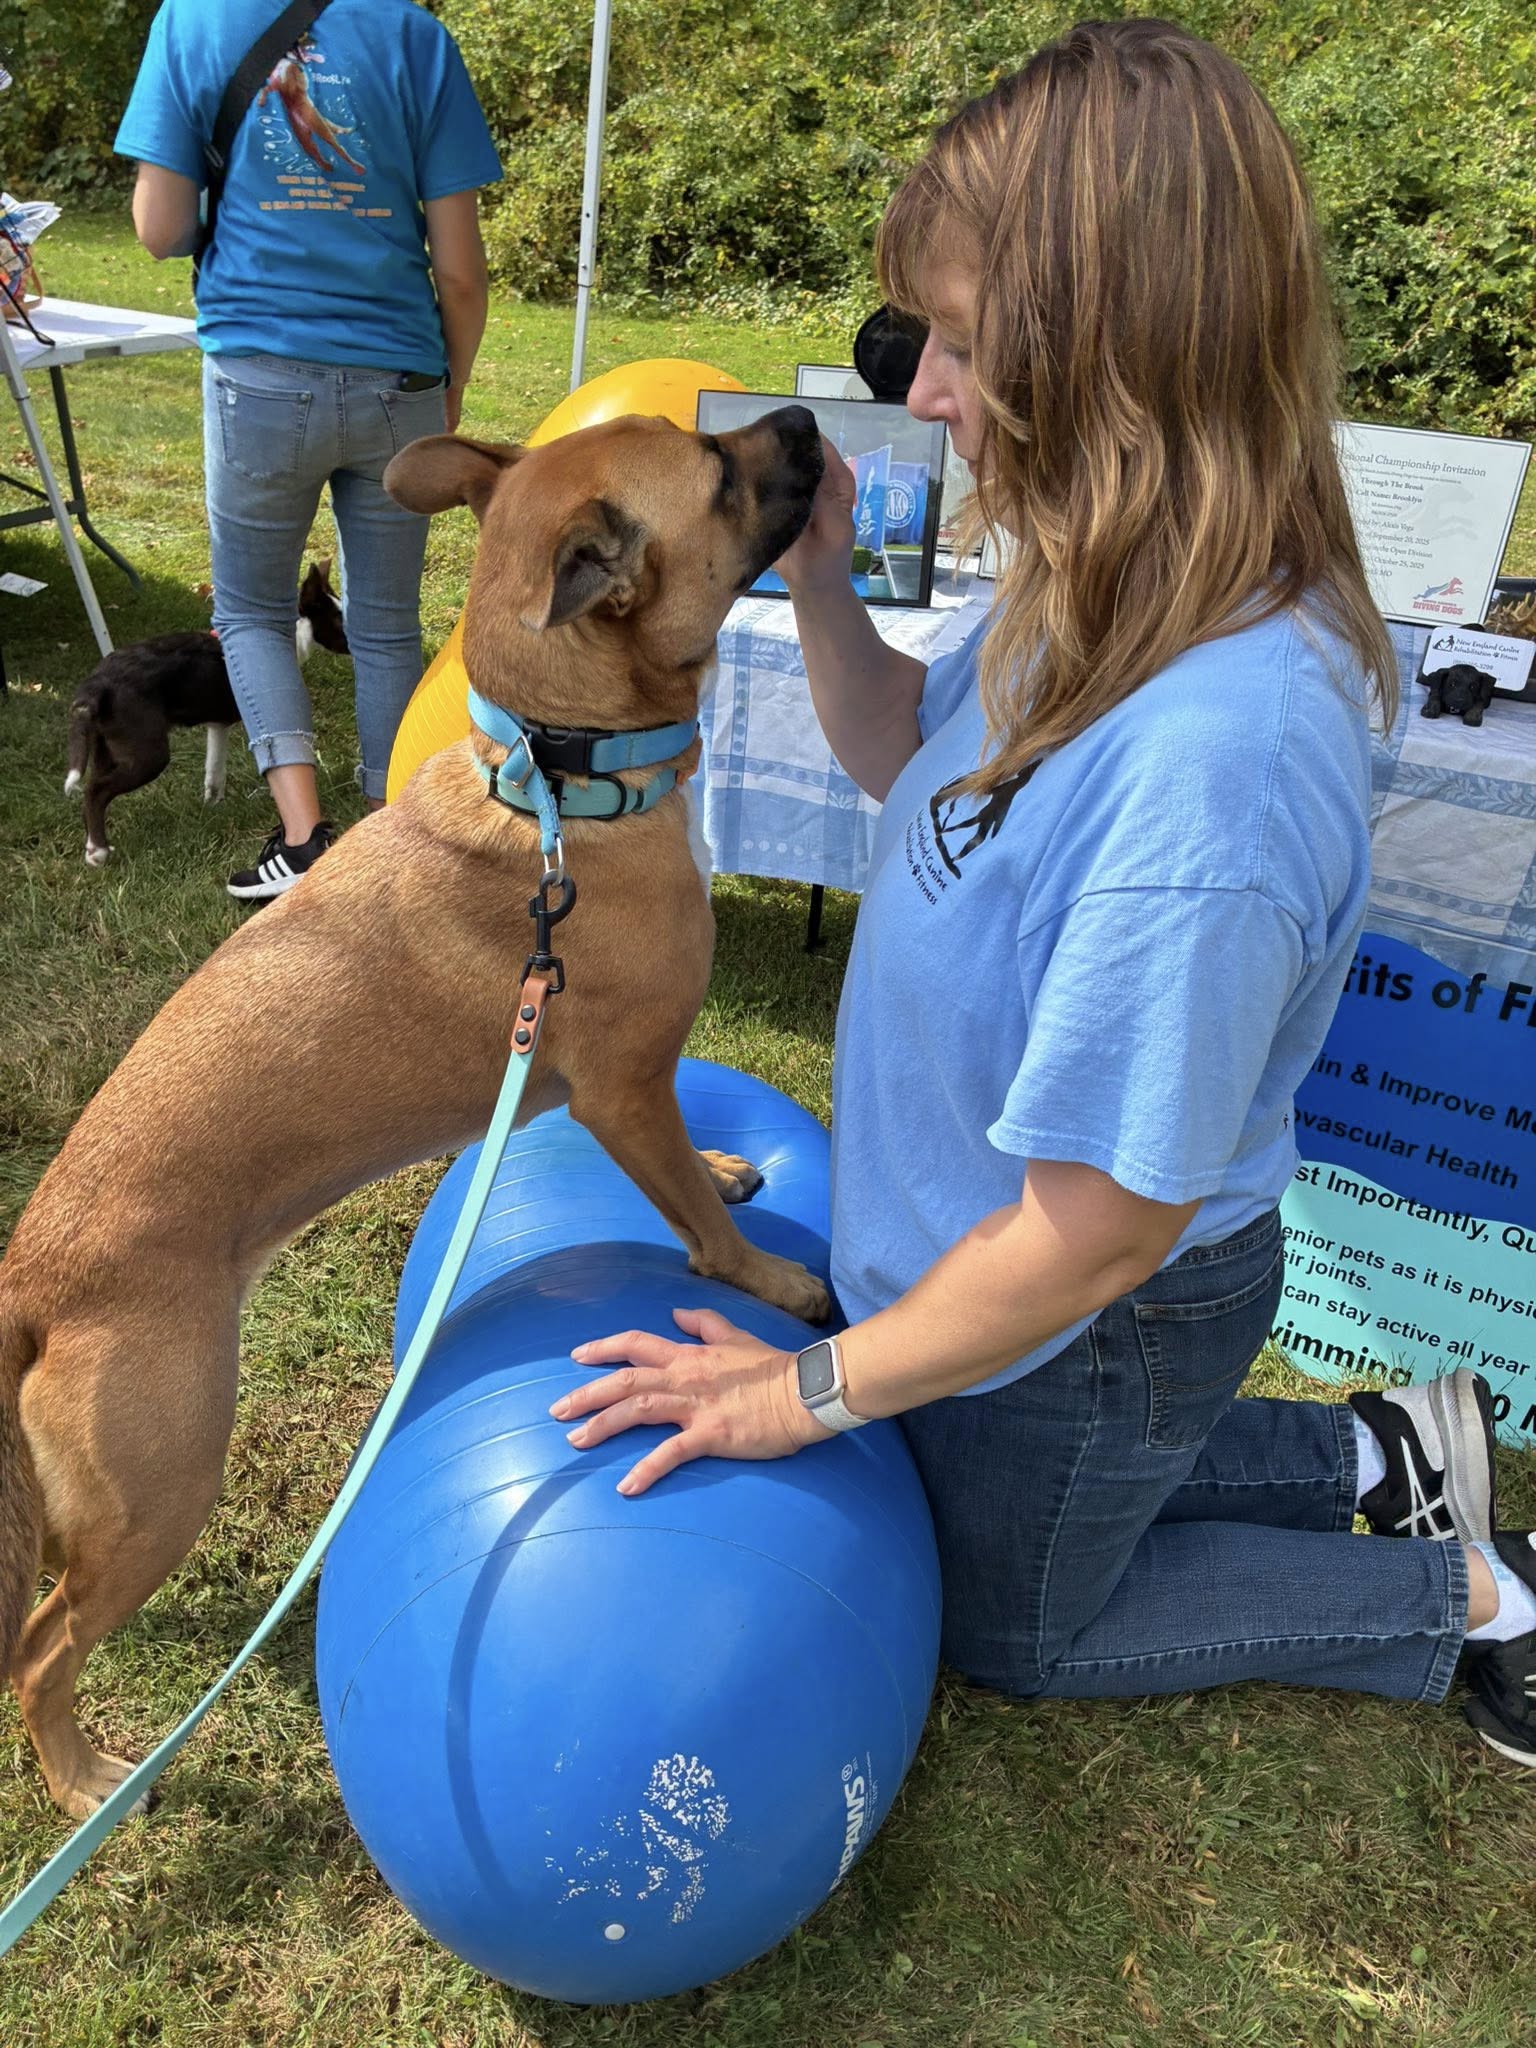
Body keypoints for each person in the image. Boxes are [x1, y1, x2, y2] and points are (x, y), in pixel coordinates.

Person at [549, 19, 1536, 1768]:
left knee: (1011, 1619)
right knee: (964, 1468)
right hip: (985, 1259)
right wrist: (832, 588)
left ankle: (1463, 1595)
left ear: (1122, 361)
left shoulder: (1212, 766)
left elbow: (1103, 1226)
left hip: (1097, 1306)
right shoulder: (1098, 578)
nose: (921, 391)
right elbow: (902, 766)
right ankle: (1381, 1447)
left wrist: (798, 1389)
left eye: (962, 347)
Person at [115, 0, 501, 898]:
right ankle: (394, 836)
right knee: (386, 621)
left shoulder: (191, 20)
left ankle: (303, 840)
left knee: (251, 612)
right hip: (398, 376)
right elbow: (462, 270)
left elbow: (160, 227)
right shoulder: (415, 36)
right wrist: (451, 386)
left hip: (259, 371)